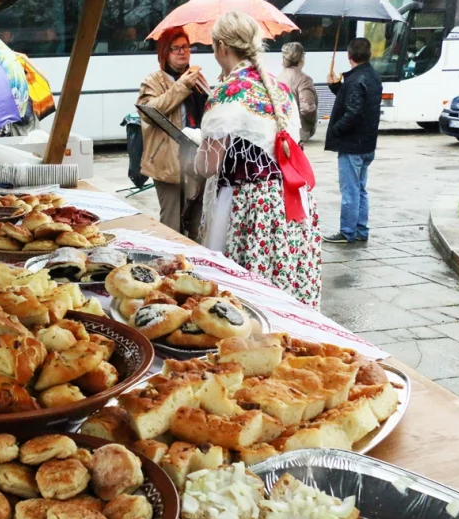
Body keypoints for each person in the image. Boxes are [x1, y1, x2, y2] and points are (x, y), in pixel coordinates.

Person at [194, 12, 322, 309]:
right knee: (282, 287)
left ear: (221, 47)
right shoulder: (281, 89)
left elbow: (208, 167)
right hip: (289, 203)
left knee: (242, 296)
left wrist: (194, 150)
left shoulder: (226, 93)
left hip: (250, 206)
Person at [136, 27, 209, 238]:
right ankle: (171, 257)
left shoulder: (197, 79)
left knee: (196, 221)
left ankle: (193, 257)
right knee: (171, 223)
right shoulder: (153, 81)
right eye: (174, 48)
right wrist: (181, 86)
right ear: (164, 53)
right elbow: (149, 112)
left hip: (196, 159)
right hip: (166, 162)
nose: (181, 52)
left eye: (185, 47)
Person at [323, 38, 382, 244]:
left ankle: (347, 231)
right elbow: (353, 100)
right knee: (361, 189)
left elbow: (353, 111)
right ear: (369, 55)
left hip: (352, 145)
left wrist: (336, 129)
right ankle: (360, 230)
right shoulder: (372, 76)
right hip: (367, 143)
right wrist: (336, 86)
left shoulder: (355, 79)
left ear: (349, 56)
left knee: (350, 191)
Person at [278, 42, 318, 144]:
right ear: (301, 58)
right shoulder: (304, 79)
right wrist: (312, 123)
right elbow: (307, 108)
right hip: (298, 131)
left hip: (282, 130)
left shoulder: (279, 76)